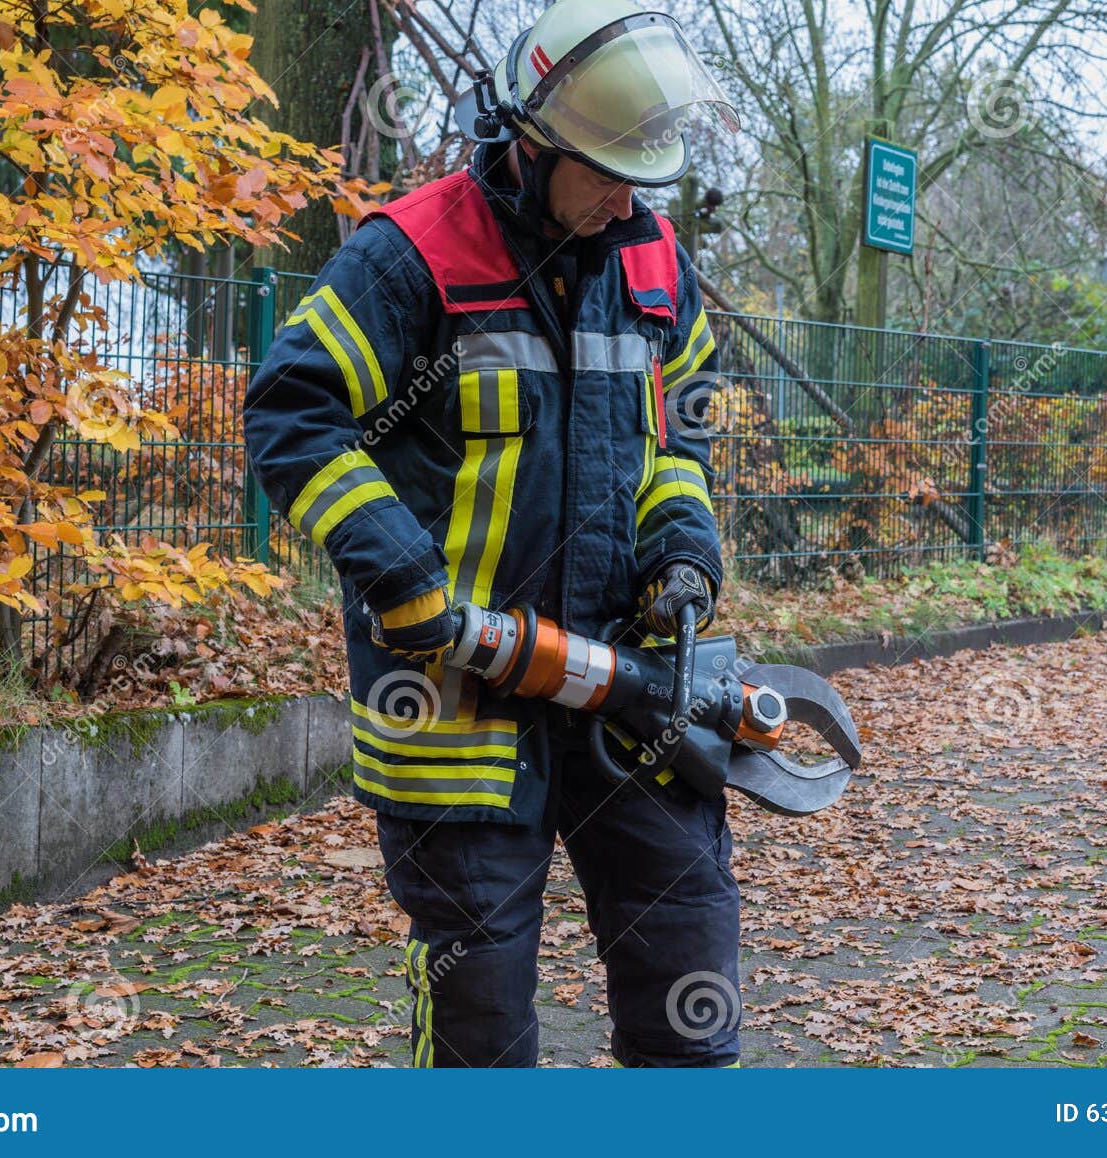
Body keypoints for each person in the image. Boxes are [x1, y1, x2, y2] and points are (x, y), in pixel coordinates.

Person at [242, 0, 743, 1067]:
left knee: (689, 991)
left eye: (640, 179)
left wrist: (680, 549)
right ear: (532, 144)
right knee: (478, 1023)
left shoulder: (654, 265)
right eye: (604, 174)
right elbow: (295, 413)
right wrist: (398, 572)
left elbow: (682, 427)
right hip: (455, 703)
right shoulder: (411, 255)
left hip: (631, 692)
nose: (625, 202)